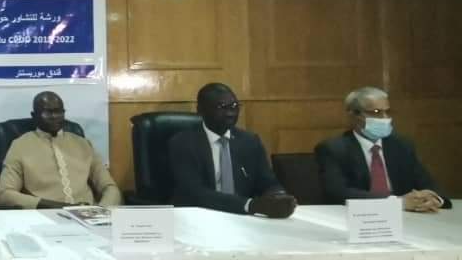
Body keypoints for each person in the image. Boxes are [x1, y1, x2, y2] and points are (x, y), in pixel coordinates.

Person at [169, 83, 296, 217]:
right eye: (222, 107)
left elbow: (268, 182)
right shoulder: (183, 143)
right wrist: (250, 205)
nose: (231, 113)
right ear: (200, 110)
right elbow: (194, 193)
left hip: (243, 218)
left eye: (234, 106)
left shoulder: (249, 141)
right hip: (199, 216)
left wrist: (278, 197)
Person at [315, 86, 450, 211]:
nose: (385, 118)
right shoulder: (333, 149)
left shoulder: (401, 146)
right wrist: (396, 203)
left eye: (387, 112)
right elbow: (338, 193)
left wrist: (435, 199)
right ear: (354, 116)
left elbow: (428, 183)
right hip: (361, 218)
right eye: (376, 112)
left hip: (408, 218)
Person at [0, 91, 120, 209]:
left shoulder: (83, 143)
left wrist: (103, 210)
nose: (55, 117)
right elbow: (5, 194)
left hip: (88, 214)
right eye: (48, 113)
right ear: (34, 115)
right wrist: (55, 206)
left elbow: (110, 187)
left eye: (59, 112)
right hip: (44, 216)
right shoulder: (20, 145)